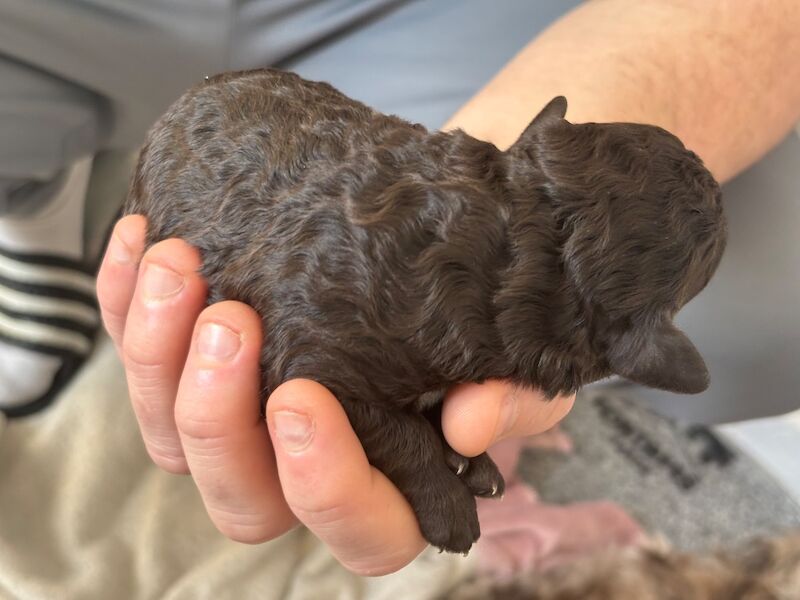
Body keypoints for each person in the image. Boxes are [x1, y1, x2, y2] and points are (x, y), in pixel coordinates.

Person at [2, 0, 799, 577]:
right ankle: (29, 196)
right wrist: (418, 462)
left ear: (538, 142)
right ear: (634, 347)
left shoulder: (423, 275)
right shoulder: (378, 292)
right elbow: (317, 363)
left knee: (768, 319)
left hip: (412, 25)